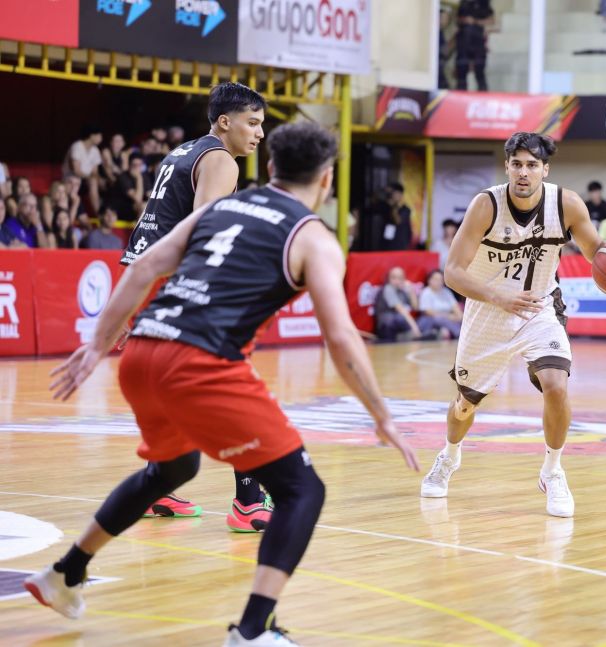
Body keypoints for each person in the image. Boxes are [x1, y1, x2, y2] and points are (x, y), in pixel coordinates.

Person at [24, 121, 419, 647]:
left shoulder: (220, 208)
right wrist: (381, 415)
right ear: (326, 180)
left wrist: (97, 345)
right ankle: (253, 630)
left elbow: (144, 266)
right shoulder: (314, 237)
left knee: (174, 468)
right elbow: (341, 337)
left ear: (271, 168)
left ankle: (65, 573)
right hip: (200, 363)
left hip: (142, 352)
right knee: (303, 489)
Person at [419, 131, 606, 517]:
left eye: (532, 165)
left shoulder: (566, 204)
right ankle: (450, 456)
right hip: (488, 311)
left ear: (545, 169)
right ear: (507, 167)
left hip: (540, 307)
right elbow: (453, 272)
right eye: (517, 164)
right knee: (464, 405)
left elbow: (597, 253)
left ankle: (553, 471)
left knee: (556, 386)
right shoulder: (486, 206)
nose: (524, 172)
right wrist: (498, 297)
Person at [121, 82, 272, 533]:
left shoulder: (182, 152)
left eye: (262, 124)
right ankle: (249, 502)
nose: (260, 133)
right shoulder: (221, 160)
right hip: (178, 285)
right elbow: (206, 231)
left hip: (143, 278)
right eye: (253, 122)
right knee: (234, 388)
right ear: (224, 122)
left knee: (170, 390)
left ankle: (158, 487)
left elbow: (157, 224)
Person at [374, 266, 432, 341]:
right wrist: (415, 329)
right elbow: (401, 310)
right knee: (400, 317)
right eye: (394, 277)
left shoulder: (402, 291)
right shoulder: (388, 289)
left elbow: (416, 307)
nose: (397, 280)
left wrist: (411, 291)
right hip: (386, 325)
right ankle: (412, 336)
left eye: (400, 278)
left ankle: (410, 336)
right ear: (388, 279)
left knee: (426, 319)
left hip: (403, 325)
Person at [455, 0, 493, 90]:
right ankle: (461, 94)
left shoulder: (484, 3)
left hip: (478, 40)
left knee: (479, 71)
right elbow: (457, 19)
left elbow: (491, 20)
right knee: (461, 72)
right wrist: (465, 20)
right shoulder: (464, 3)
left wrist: (474, 21)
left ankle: (483, 95)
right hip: (463, 41)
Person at [64, 124, 104, 213]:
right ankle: (98, 212)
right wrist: (90, 177)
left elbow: (95, 171)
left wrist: (99, 180)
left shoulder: (95, 150)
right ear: (92, 136)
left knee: (100, 182)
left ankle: (103, 211)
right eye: (99, 136)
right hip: (72, 180)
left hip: (85, 182)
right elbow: (76, 170)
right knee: (92, 182)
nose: (101, 138)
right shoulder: (77, 146)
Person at [419, 269, 464, 339]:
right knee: (439, 319)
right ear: (429, 280)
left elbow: (455, 306)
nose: (439, 282)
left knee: (462, 318)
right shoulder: (426, 292)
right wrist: (448, 316)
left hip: (449, 319)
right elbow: (428, 312)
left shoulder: (446, 292)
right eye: (436, 279)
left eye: (441, 280)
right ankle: (459, 334)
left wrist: (460, 316)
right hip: (431, 319)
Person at [376, 182, 413, 251]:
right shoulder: (386, 206)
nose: (394, 196)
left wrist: (394, 206)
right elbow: (374, 206)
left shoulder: (405, 209)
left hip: (400, 244)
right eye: (392, 194)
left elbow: (398, 221)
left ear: (400, 195)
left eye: (396, 193)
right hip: (386, 243)